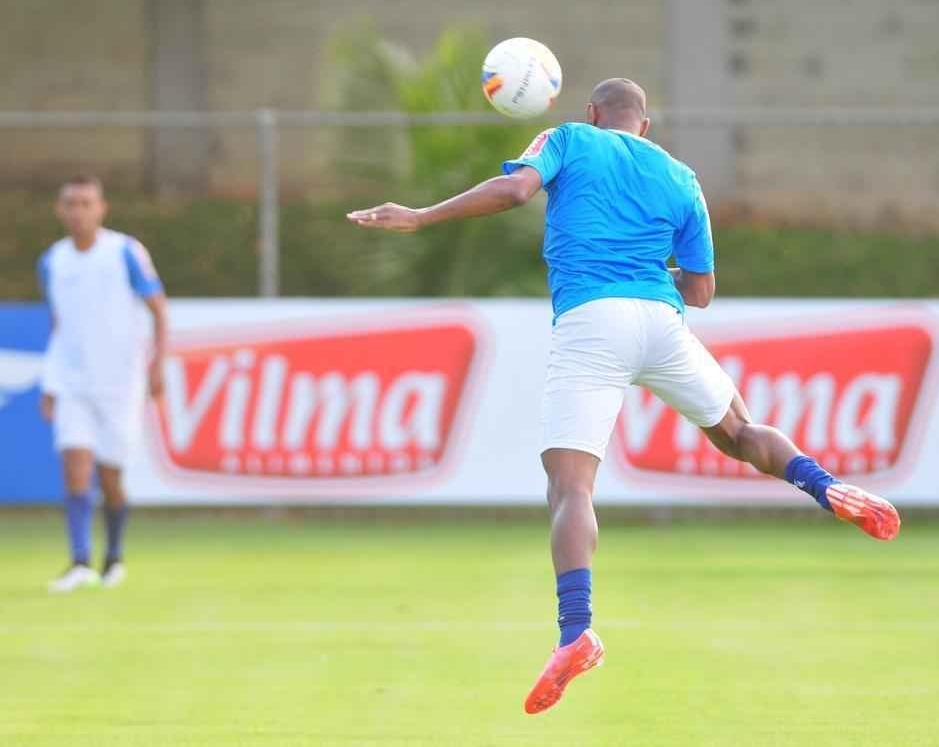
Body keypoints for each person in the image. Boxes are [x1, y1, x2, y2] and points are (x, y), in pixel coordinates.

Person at [347, 78, 900, 714]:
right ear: (646, 124)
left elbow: (515, 190)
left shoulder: (567, 139)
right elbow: (701, 291)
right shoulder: (682, 177)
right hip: (662, 322)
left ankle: (575, 631)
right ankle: (827, 486)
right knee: (741, 432)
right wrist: (642, 269)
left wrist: (421, 216)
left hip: (593, 322)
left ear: (592, 113)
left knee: (570, 488)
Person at [38, 175, 167, 593]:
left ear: (101, 208)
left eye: (86, 203)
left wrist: (157, 364)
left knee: (110, 476)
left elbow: (158, 308)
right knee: (75, 465)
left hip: (119, 383)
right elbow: (58, 324)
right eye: (71, 204)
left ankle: (113, 557)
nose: (78, 212)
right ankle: (79, 561)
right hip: (72, 382)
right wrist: (50, 383)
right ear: (60, 210)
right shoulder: (53, 261)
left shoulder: (125, 252)